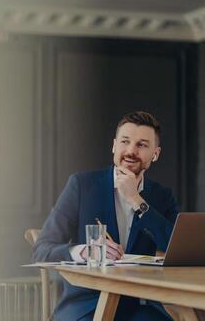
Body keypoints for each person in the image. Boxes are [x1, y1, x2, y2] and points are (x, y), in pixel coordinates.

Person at [32, 111, 179, 321]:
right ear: (114, 146)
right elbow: (41, 250)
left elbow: (176, 246)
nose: (130, 151)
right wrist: (83, 252)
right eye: (125, 142)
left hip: (140, 306)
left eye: (142, 145)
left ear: (155, 154)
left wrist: (136, 200)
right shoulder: (81, 186)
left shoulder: (161, 196)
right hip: (86, 306)